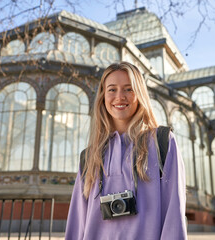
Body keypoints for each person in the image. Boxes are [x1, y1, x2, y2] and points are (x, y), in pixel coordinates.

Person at [65, 62, 187, 239]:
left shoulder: (162, 142)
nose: (119, 97)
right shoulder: (90, 156)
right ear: (103, 96)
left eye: (128, 89)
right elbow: (77, 222)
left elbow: (174, 213)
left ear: (140, 94)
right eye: (112, 89)